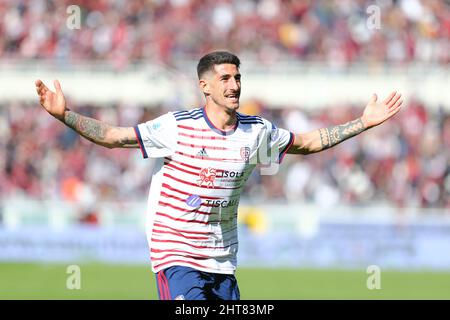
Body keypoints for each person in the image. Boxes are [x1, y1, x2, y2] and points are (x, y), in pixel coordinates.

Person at [35, 51, 403, 300]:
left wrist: (363, 123)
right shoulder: (177, 127)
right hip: (176, 255)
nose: (235, 85)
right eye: (225, 78)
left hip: (223, 260)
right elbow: (114, 137)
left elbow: (307, 142)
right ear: (205, 86)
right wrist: (65, 115)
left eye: (238, 77)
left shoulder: (256, 131)